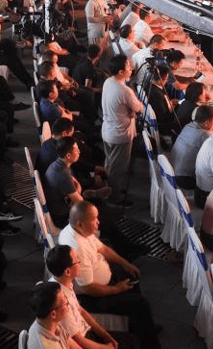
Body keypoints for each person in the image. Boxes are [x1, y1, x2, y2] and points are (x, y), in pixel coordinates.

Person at [58, 201, 159, 349]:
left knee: (130, 275)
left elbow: (103, 249)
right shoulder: (77, 247)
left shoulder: (81, 230)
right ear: (80, 224)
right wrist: (117, 289)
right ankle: (150, 342)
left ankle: (143, 327)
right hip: (92, 297)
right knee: (140, 304)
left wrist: (125, 263)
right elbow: (88, 288)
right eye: (94, 219)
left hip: (102, 283)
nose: (98, 222)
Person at [44, 244, 133, 349]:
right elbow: (79, 341)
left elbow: (81, 311)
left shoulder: (64, 283)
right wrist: (108, 347)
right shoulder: (61, 302)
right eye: (77, 261)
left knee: (130, 339)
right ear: (68, 271)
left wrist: (106, 336)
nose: (80, 262)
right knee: (131, 341)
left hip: (87, 330)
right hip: (85, 340)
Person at [99, 56, 139, 206]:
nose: (131, 69)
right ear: (121, 72)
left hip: (108, 131)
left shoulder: (108, 82)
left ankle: (107, 191)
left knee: (110, 164)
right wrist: (131, 111)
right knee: (117, 170)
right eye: (128, 66)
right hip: (120, 135)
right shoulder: (125, 91)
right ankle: (114, 199)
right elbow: (139, 108)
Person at [26, 280, 70, 349]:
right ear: (53, 314)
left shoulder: (46, 322)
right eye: (65, 302)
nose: (68, 303)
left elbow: (69, 342)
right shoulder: (45, 346)